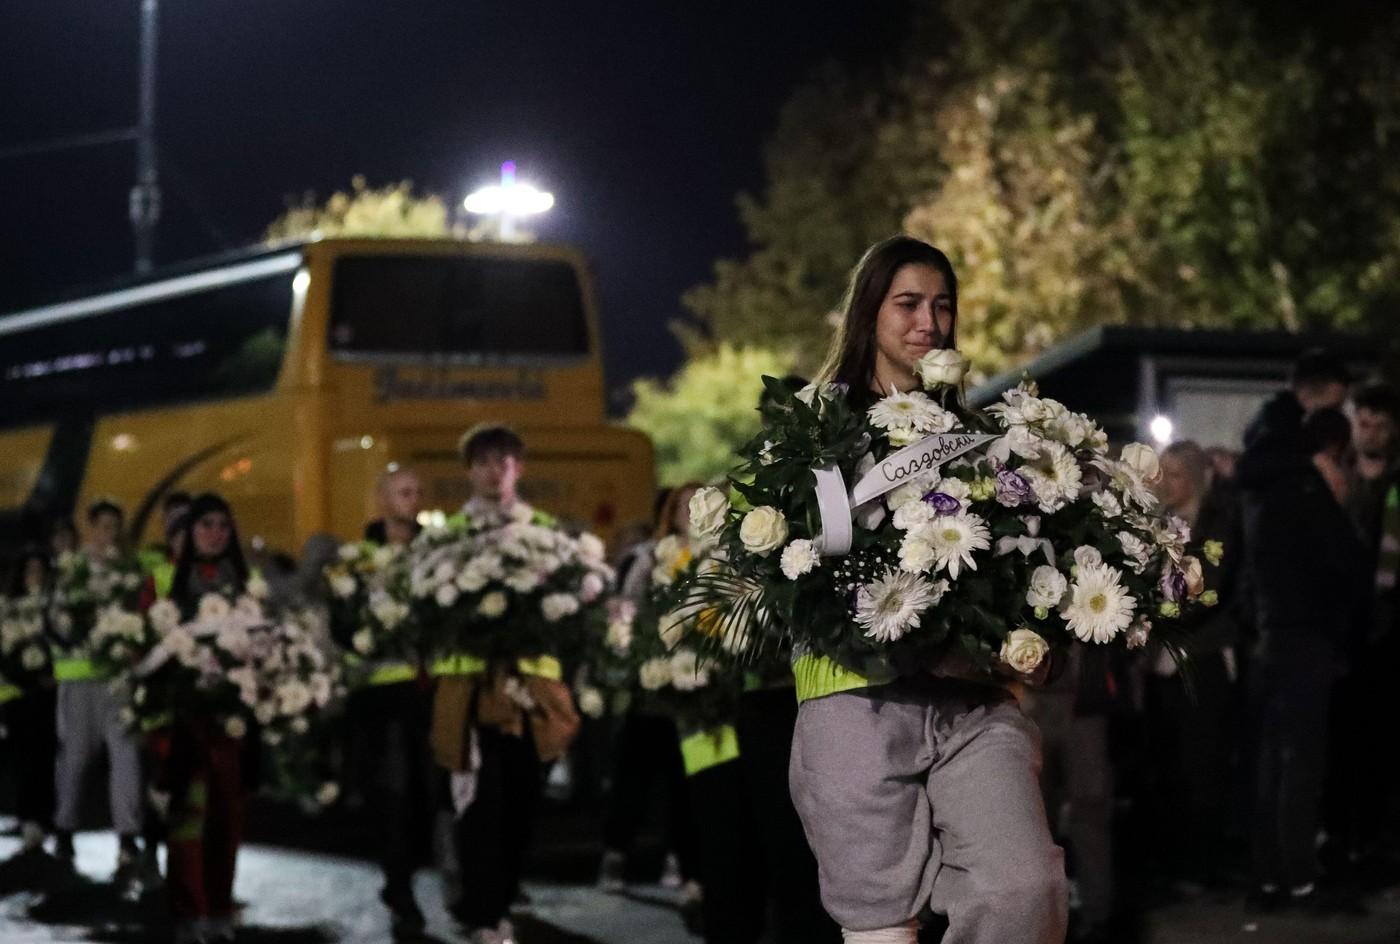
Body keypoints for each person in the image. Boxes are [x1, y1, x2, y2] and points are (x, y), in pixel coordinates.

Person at [788, 236, 1067, 943]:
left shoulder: (982, 439)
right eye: (907, 304)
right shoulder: (818, 432)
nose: (928, 324)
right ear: (867, 315)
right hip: (854, 699)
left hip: (970, 701)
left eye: (942, 307)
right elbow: (809, 577)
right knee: (882, 929)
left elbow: (1016, 570)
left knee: (1023, 890)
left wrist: (1034, 635)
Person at [431, 425, 579, 944]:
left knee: (521, 804)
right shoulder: (448, 536)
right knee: (479, 804)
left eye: (505, 461)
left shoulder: (542, 529)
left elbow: (569, 608)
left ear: (519, 468)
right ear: (469, 470)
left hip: (531, 691)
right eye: (485, 462)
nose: (496, 471)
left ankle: (500, 900)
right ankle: (485, 913)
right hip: (469, 691)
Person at [1236, 352, 1367, 913]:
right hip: (1304, 637)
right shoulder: (1306, 487)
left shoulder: (1270, 490)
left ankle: (1268, 876)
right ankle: (1301, 880)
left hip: (1272, 632)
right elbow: (1348, 572)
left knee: (1274, 760)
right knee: (1301, 762)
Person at [156, 493, 252, 944]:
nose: (215, 534)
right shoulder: (168, 587)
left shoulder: (246, 584)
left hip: (231, 721)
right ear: (190, 532)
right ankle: (187, 909)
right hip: (186, 722)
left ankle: (219, 906)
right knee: (189, 815)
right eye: (206, 525)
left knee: (226, 817)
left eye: (223, 525)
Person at [1145, 440, 1241, 891]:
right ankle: (1170, 857)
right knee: (1168, 765)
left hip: (1200, 657)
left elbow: (1211, 591)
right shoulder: (1156, 524)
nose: (1166, 482)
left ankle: (1203, 862)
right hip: (1159, 663)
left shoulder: (1218, 524)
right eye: (1162, 473)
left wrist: (1161, 617)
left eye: (1176, 474)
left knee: (1203, 763)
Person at [599, 486, 701, 910]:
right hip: (653, 688)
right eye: (685, 505)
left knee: (686, 783)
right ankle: (615, 855)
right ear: (670, 513)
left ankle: (687, 863)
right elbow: (626, 611)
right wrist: (634, 654)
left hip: (698, 691)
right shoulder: (650, 558)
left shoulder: (719, 556)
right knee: (635, 778)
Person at [345, 464, 434, 939]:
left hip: (431, 689)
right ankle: (399, 889)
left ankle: (410, 874)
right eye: (404, 491)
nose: (412, 499)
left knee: (427, 797)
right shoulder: (360, 560)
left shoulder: (436, 554)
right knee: (396, 794)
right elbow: (346, 626)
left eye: (418, 492)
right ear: (382, 499)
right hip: (384, 694)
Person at [51, 499, 145, 887]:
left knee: (126, 759)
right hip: (79, 681)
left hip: (117, 679)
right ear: (90, 527)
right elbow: (57, 620)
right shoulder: (73, 570)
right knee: (74, 759)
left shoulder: (128, 571)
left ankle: (127, 838)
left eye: (115, 526)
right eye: (103, 525)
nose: (110, 533)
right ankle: (65, 831)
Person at [2, 548, 57, 856]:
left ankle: (45, 815)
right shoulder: (9, 608)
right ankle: (27, 817)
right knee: (24, 756)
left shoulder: (53, 607)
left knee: (46, 754)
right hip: (19, 694)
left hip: (48, 692)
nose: (35, 576)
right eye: (30, 570)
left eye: (40, 570)